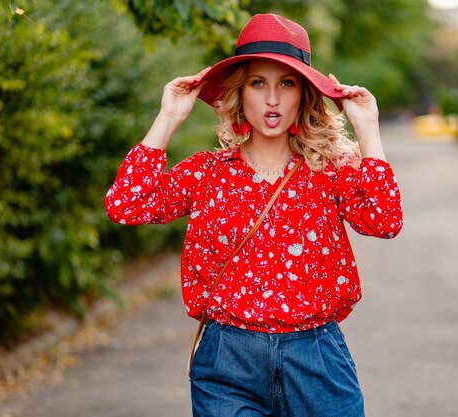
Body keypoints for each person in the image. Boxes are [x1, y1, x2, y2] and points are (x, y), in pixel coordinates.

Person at [105, 13, 403, 417]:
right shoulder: (207, 172)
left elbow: (386, 221)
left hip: (315, 360)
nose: (273, 99)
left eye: (287, 83)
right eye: (258, 83)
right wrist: (170, 117)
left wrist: (368, 129)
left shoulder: (330, 171)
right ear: (239, 93)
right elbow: (125, 203)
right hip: (228, 360)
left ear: (304, 94)